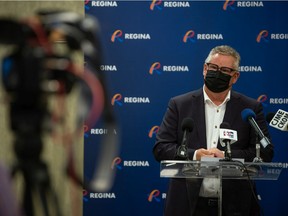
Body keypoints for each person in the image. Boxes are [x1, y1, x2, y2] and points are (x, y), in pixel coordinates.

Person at [153, 45, 274, 216]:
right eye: (213, 68)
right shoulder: (180, 105)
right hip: (187, 205)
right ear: (204, 69)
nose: (218, 73)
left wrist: (226, 158)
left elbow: (265, 153)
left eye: (225, 70)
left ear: (235, 77)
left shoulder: (250, 108)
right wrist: (195, 155)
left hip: (235, 206)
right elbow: (161, 148)